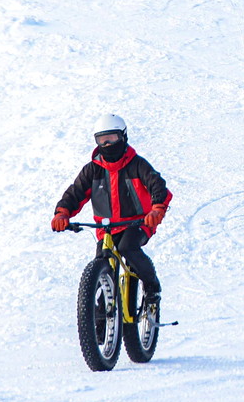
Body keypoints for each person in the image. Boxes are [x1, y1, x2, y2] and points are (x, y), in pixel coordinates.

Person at [52, 114, 173, 312]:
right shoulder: (92, 170)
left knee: (127, 247)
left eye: (112, 138)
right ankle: (99, 320)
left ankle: (152, 288)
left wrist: (156, 210)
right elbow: (75, 192)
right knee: (102, 264)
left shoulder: (137, 165)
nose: (107, 144)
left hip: (138, 223)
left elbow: (158, 186)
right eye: (102, 140)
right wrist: (62, 213)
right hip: (107, 228)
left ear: (123, 137)